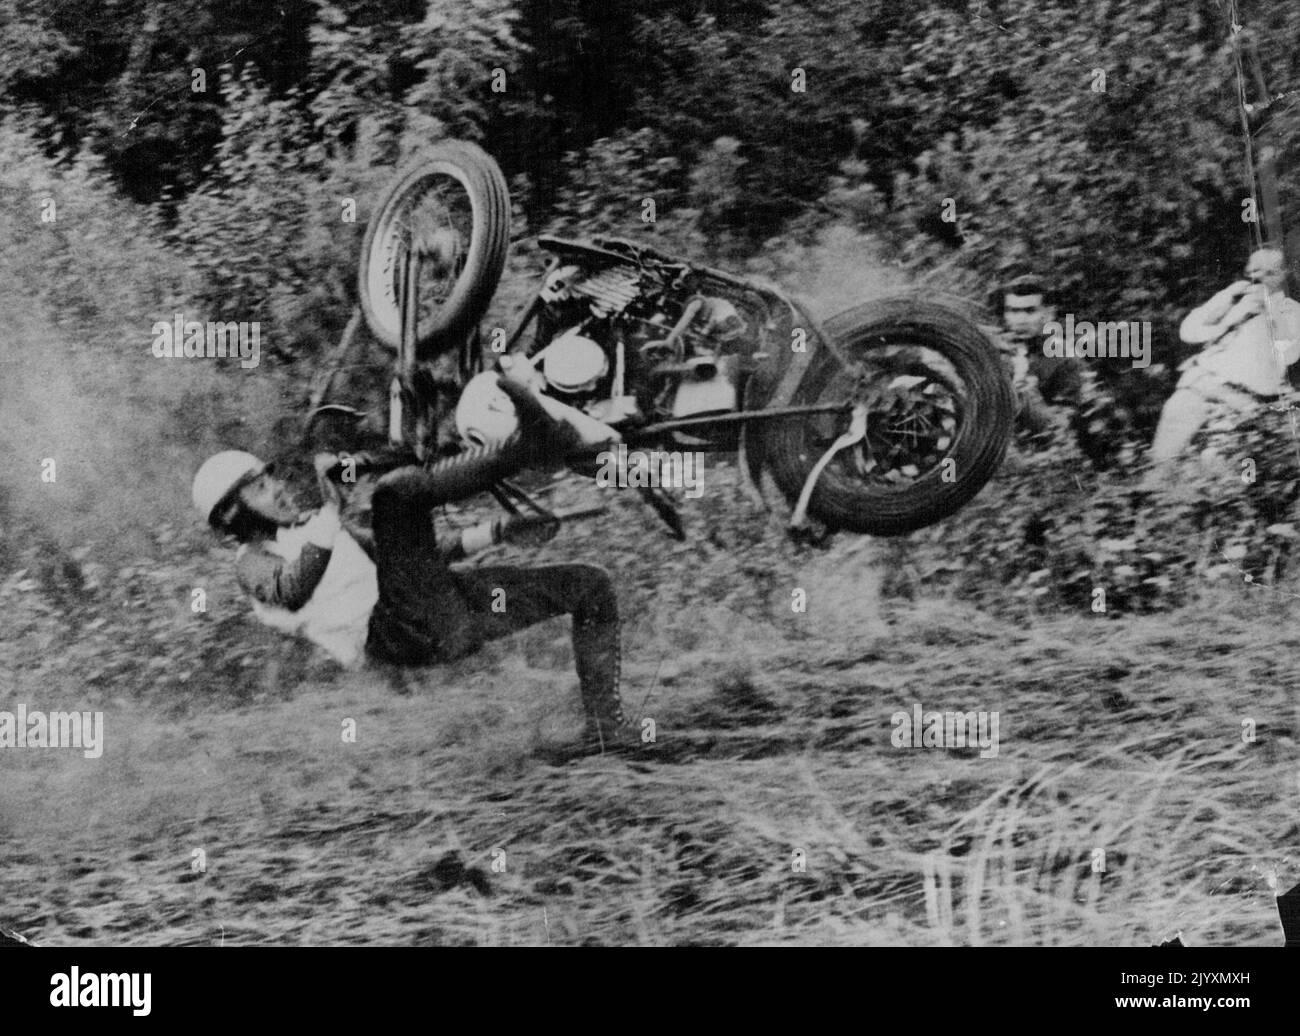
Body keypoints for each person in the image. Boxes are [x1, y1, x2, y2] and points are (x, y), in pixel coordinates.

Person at [190, 373, 630, 755]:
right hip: (402, 634)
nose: (279, 489)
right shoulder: (251, 563)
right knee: (394, 494)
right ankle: (527, 445)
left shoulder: (311, 529)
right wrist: (331, 512)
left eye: (271, 479)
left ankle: (605, 727)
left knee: (588, 585)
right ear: (234, 514)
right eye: (260, 488)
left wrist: (496, 532)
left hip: (446, 610)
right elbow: (292, 588)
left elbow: (417, 555)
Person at [1148, 247, 1300, 468]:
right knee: (1160, 463)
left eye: (1269, 272)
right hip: (1199, 385)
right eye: (1254, 270)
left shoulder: (1292, 311)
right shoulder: (1235, 296)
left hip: (1239, 404)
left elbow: (1290, 354)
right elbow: (1188, 332)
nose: (1258, 278)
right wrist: (1232, 314)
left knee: (1216, 474)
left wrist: (1271, 311)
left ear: (1283, 274)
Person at [994, 274, 1084, 439]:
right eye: (1013, 311)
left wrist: (1027, 394)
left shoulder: (1063, 358)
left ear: (1049, 314)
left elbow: (1060, 430)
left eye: (1030, 311)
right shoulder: (993, 348)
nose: (1020, 319)